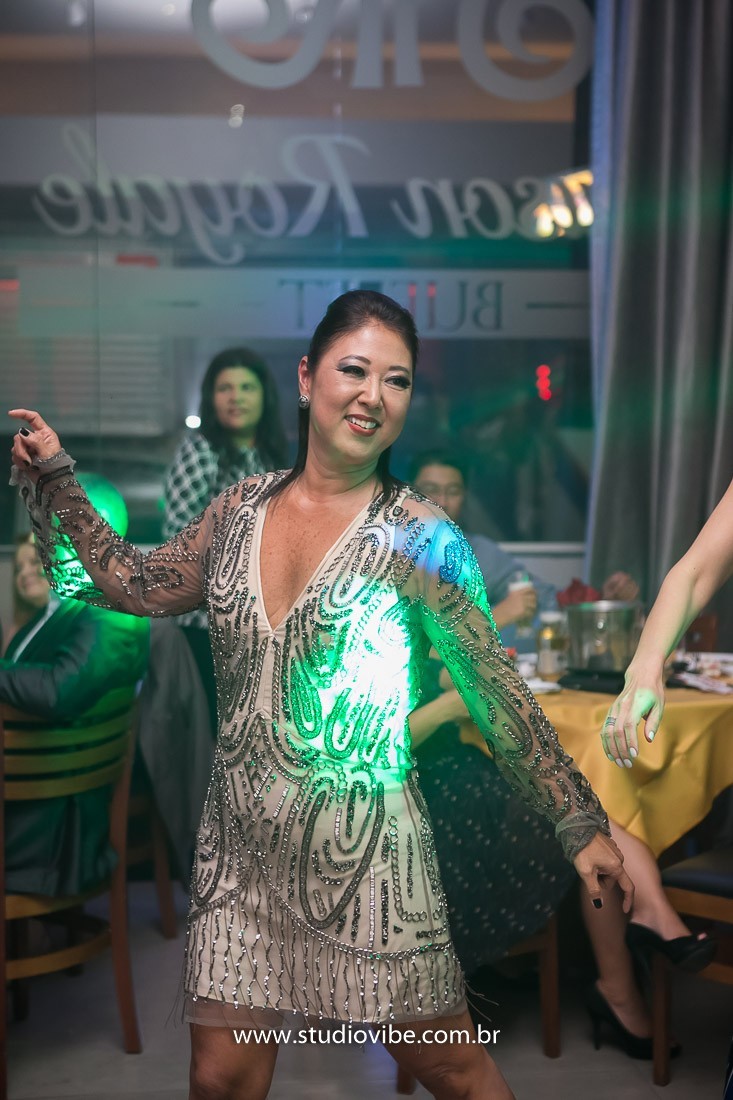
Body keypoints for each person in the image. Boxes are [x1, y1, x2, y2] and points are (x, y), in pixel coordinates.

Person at [10, 290, 632, 1100]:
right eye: (354, 370)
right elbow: (134, 582)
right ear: (307, 379)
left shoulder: (421, 536)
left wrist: (577, 821)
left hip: (369, 858)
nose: (374, 395)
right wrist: (58, 479)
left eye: (396, 380)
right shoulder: (238, 510)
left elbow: (494, 690)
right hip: (242, 856)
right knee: (219, 1077)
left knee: (452, 1070)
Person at [0, 536, 149, 896]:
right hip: (32, 796)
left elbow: (57, 691)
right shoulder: (54, 615)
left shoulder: (111, 614)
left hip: (53, 824)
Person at [163, 347, 288, 729]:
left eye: (247, 387)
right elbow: (178, 541)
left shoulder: (270, 454)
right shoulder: (202, 451)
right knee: (223, 735)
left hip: (259, 624)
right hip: (207, 625)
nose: (236, 397)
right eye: (225, 388)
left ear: (264, 396)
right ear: (211, 398)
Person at [410, 450, 639, 652]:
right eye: (431, 490)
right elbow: (424, 650)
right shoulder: (395, 552)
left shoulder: (478, 552)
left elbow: (546, 599)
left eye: (453, 491)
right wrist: (501, 614)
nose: (443, 501)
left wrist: (600, 602)